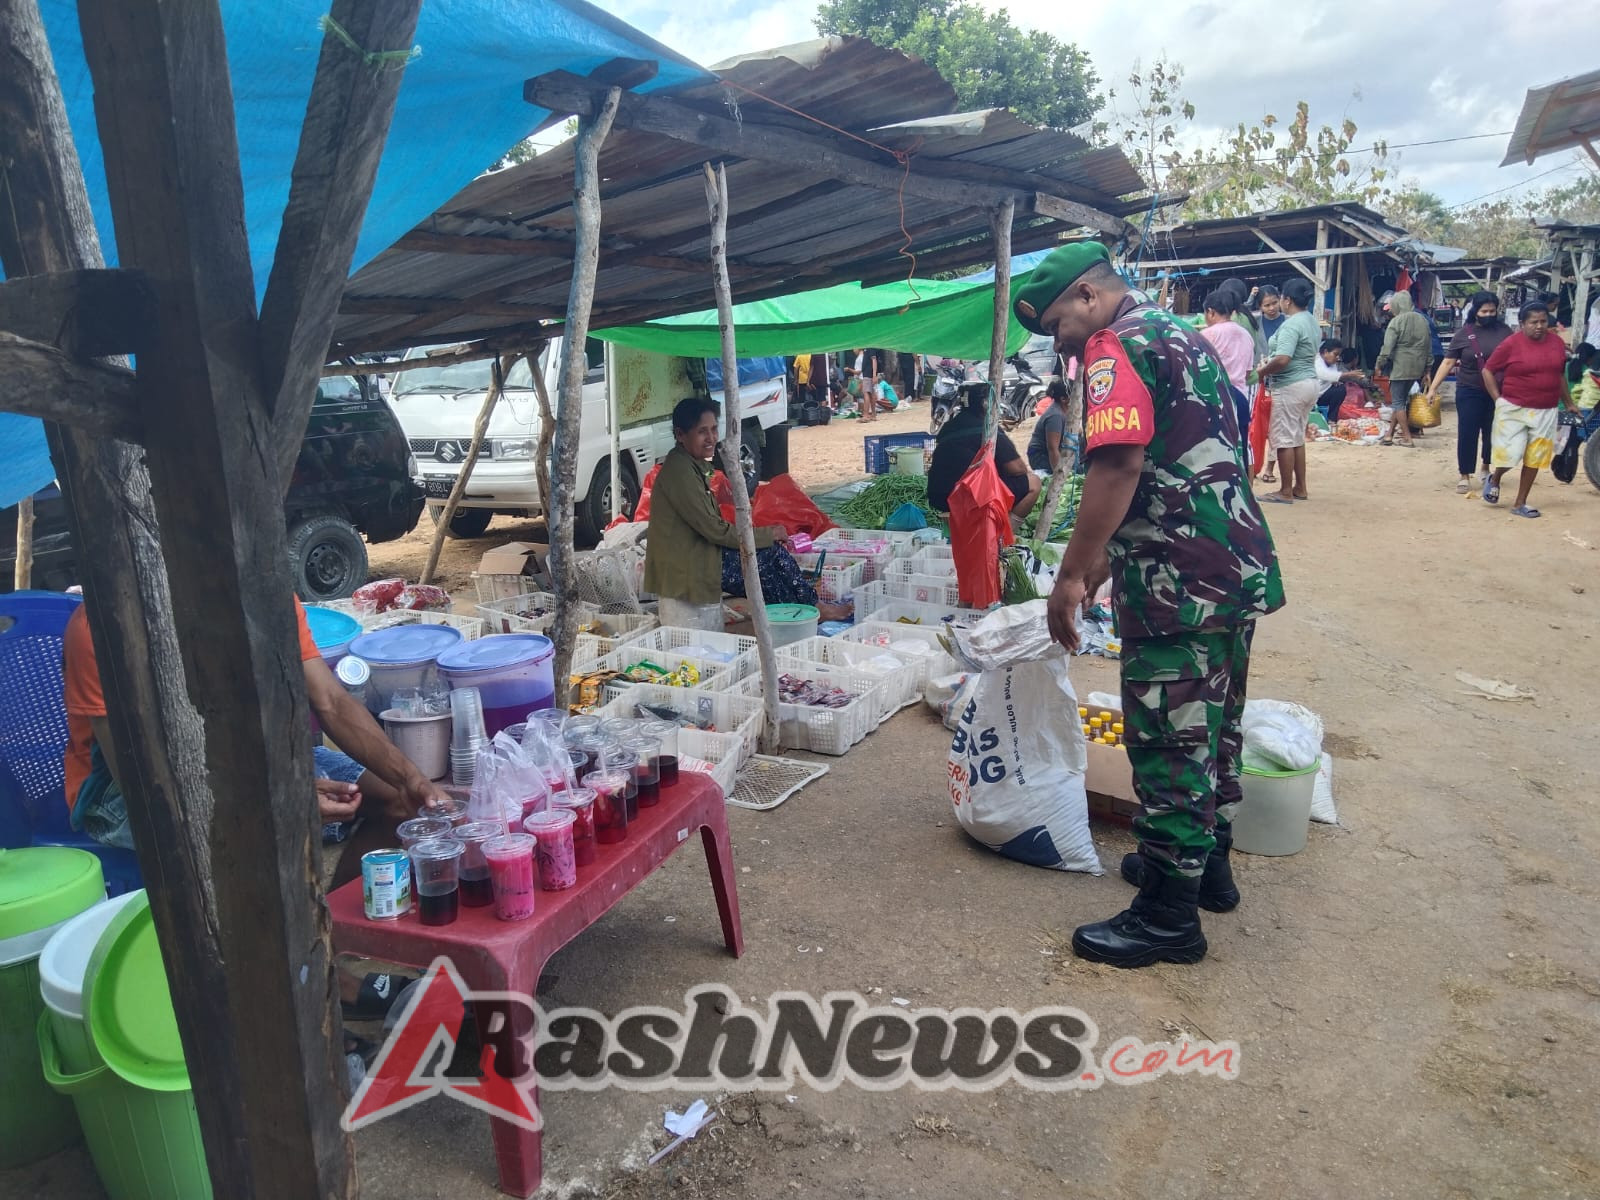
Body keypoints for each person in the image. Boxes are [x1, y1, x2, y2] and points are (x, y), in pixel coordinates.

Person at [1012, 241, 1283, 969]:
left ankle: (1168, 915)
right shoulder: (1181, 336)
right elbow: (1173, 463)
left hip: (1177, 582)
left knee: (1168, 742)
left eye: (1059, 327)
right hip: (1229, 564)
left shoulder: (1115, 346)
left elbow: (1119, 464)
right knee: (1214, 726)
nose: (1062, 347)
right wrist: (1104, 561)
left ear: (1088, 297)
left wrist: (1071, 574)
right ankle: (1208, 869)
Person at [642, 398, 847, 627]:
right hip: (689, 565)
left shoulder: (690, 465)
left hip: (699, 553)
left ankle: (803, 612)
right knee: (769, 558)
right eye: (702, 431)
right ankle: (806, 612)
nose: (711, 438)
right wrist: (766, 534)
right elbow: (715, 531)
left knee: (771, 562)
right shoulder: (680, 473)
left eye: (713, 429)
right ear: (680, 434)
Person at [1480, 301, 1577, 517]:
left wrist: (1569, 403)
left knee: (1535, 456)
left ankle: (1520, 503)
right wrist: (1498, 399)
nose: (1539, 326)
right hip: (1513, 408)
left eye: (1543, 321)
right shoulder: (1510, 344)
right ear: (1522, 323)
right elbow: (1488, 370)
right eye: (1534, 322)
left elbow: (1559, 375)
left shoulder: (1556, 343)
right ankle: (1495, 478)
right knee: (1511, 454)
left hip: (1546, 409)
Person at [1427, 292, 1511, 493]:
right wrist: (1432, 388)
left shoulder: (1505, 332)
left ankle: (1486, 467)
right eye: (1484, 311)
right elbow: (1448, 362)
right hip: (1469, 390)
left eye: (1492, 311)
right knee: (1467, 432)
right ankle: (1464, 475)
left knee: (1493, 432)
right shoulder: (1464, 334)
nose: (1488, 314)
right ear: (1475, 311)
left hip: (1498, 391)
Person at [927, 387, 1041, 524]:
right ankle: (1005, 531)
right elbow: (1017, 468)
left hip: (938, 496)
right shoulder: (988, 429)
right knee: (1034, 482)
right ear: (986, 404)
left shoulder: (949, 426)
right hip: (968, 495)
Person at [1254, 277, 1320, 503]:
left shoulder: (1292, 324)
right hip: (1308, 382)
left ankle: (1285, 491)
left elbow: (1283, 358)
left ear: (1287, 300)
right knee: (1296, 438)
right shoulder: (1310, 320)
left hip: (1290, 384)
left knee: (1283, 439)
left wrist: (1261, 372)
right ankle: (1299, 487)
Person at [1375, 291, 1433, 447]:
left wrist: (1379, 364)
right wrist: (1428, 369)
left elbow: (1387, 348)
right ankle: (1389, 435)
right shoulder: (1423, 320)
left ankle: (1407, 438)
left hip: (1400, 367)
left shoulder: (1396, 322)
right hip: (1417, 367)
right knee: (1400, 401)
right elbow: (1428, 346)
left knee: (1398, 402)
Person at [1197, 289, 1255, 437]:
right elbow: (1248, 373)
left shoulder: (1207, 334)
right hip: (1241, 400)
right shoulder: (1245, 334)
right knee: (1240, 445)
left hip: (1216, 400)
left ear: (1210, 312)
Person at [1026, 379, 1076, 474]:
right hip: (1040, 456)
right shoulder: (1055, 416)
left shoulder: (1065, 411)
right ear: (1063, 399)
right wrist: (1059, 475)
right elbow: (1052, 449)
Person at [1313, 339, 1365, 424]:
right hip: (1313, 396)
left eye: (1338, 355)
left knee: (1340, 389)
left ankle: (1331, 420)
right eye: (1335, 354)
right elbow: (1325, 375)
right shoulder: (1317, 362)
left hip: (1323, 393)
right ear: (1326, 352)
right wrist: (1349, 374)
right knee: (1340, 389)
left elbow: (1333, 375)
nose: (1337, 358)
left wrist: (1335, 381)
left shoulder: (1332, 363)